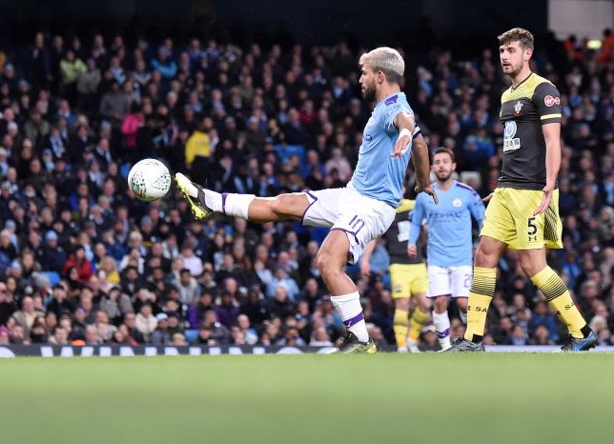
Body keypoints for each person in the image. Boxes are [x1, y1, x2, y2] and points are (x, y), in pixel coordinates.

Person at [176, 47, 435, 353]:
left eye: (364, 73)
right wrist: (422, 182)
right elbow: (419, 143)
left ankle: (362, 340)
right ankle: (209, 201)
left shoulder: (393, 105)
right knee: (281, 204)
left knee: (327, 260)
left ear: (380, 76)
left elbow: (408, 126)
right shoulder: (385, 107)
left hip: (373, 206)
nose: (360, 79)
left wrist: (405, 135)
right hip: (352, 196)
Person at [447, 28, 596, 352]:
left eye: (511, 50)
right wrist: (501, 185)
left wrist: (549, 186)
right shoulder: (506, 96)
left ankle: (581, 330)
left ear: (526, 53)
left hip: (532, 193)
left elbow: (553, 141)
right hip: (506, 190)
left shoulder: (544, 90)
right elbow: (514, 146)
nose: (504, 56)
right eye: (502, 51)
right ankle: (472, 338)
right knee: (483, 255)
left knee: (532, 266)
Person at [409, 147, 485, 350]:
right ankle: (445, 347)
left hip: (461, 259)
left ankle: (473, 340)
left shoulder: (467, 193)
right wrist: (411, 242)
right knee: (440, 301)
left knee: (463, 303)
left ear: (453, 166)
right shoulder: (424, 196)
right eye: (438, 162)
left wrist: (483, 244)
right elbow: (416, 222)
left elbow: (483, 219)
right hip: (437, 260)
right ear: (432, 167)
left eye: (445, 161)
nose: (441, 165)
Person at [362, 193, 430, 352]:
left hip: (418, 263)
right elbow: (374, 237)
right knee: (403, 304)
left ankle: (412, 339)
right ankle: (402, 347)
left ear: (404, 188)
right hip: (398, 265)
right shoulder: (385, 210)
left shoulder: (414, 205)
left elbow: (429, 220)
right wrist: (365, 259)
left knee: (426, 305)